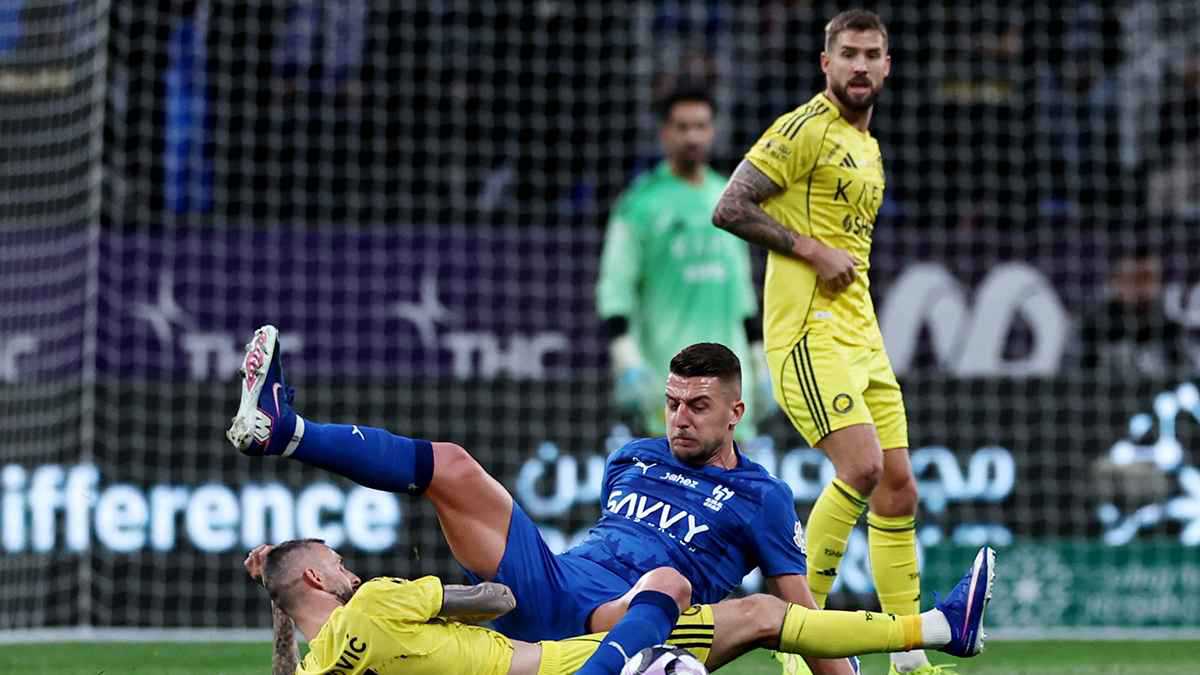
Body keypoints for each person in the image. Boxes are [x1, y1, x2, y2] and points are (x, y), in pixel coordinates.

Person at [227, 326, 847, 674]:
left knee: (709, 593)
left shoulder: (761, 496)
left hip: (634, 619)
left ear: (737, 413)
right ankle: (285, 431)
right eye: (673, 402)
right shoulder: (632, 457)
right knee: (453, 466)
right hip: (552, 583)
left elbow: (804, 619)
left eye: (699, 406)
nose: (680, 418)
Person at [712, 10, 935, 675]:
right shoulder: (804, 128)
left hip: (860, 334)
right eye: (849, 54)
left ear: (887, 67)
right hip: (807, 332)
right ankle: (801, 644)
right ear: (826, 63)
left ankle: (912, 654)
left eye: (872, 55)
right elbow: (730, 205)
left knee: (898, 487)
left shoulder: (868, 146)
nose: (861, 65)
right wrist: (809, 248)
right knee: (861, 468)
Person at [244, 538, 995, 675]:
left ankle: (936, 627)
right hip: (569, 663)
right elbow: (499, 594)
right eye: (335, 564)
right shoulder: (377, 603)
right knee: (676, 597)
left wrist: (282, 611)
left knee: (755, 617)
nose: (350, 570)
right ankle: (932, 628)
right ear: (315, 581)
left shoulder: (316, 668)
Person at [597, 85, 773, 442]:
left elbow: (742, 293)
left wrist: (759, 361)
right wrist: (626, 361)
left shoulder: (729, 197)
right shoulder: (640, 204)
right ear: (664, 133)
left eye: (701, 126)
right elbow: (614, 291)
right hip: (670, 388)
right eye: (682, 127)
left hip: (730, 385)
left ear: (713, 131)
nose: (693, 136)